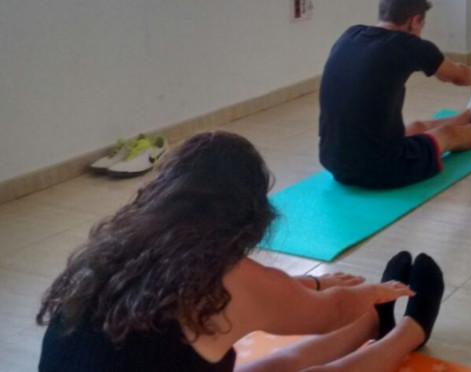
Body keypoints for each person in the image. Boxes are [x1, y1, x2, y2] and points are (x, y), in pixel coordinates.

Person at [37, 131, 446, 372]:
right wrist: (372, 292)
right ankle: (409, 332)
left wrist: (313, 283)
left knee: (273, 366)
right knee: (291, 367)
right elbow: (329, 316)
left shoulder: (117, 253)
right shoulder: (228, 278)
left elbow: (265, 294)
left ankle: (373, 324)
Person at [319, 0, 471, 190]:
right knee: (448, 134)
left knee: (415, 127)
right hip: (379, 170)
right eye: (422, 24)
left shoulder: (350, 34)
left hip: (332, 160)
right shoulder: (408, 44)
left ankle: (469, 115)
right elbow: (457, 76)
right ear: (414, 21)